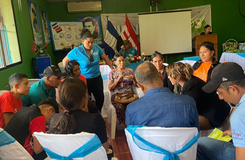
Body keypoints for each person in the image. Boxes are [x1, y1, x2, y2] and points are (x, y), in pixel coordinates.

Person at [48, 77, 111, 158]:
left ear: (60, 99)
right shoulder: (94, 119)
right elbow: (104, 148)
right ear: (84, 98)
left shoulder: (53, 120)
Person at [125, 62, 199, 130]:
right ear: (161, 76)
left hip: (148, 145)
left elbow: (132, 138)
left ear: (140, 86)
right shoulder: (189, 102)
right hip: (186, 145)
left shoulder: (131, 110)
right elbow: (196, 132)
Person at [197, 62, 245, 160]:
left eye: (220, 93)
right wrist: (237, 133)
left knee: (201, 143)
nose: (220, 97)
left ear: (233, 89)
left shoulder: (239, 115)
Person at [62, 29, 114, 112]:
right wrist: (69, 74)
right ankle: (88, 116)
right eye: (88, 42)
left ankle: (98, 113)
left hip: (97, 77)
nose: (90, 44)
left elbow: (106, 58)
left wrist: (112, 68)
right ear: (83, 41)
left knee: (100, 98)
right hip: (84, 79)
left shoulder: (96, 47)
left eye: (92, 42)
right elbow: (64, 61)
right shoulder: (77, 51)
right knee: (86, 100)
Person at [167, 62, 230, 130]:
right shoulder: (186, 82)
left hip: (215, 116)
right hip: (212, 111)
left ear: (178, 76)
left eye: (170, 75)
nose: (168, 77)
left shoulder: (191, 85)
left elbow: (189, 109)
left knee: (180, 120)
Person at [108, 53, 137, 124]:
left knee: (135, 105)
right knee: (120, 107)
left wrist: (134, 79)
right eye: (119, 61)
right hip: (118, 97)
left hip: (130, 95)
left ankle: (132, 123)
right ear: (115, 62)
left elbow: (136, 85)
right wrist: (118, 80)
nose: (122, 63)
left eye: (123, 60)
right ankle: (126, 124)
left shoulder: (130, 71)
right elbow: (110, 88)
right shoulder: (112, 73)